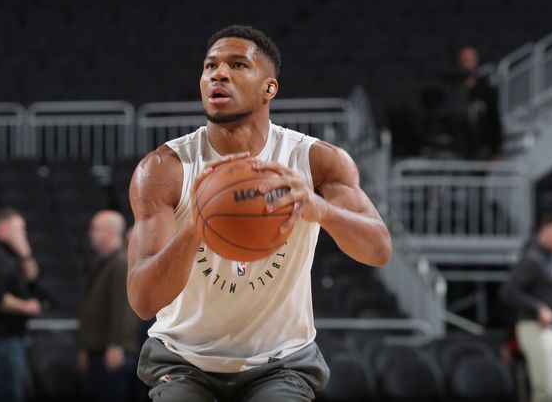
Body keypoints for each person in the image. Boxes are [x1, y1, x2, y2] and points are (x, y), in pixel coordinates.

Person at [127, 24, 392, 401]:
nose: (218, 74)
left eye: (237, 65)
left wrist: (320, 209)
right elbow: (142, 301)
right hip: (183, 361)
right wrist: (195, 229)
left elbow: (379, 250)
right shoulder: (164, 169)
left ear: (269, 88)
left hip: (280, 362)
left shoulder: (316, 161)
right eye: (210, 66)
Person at [500, 211, 552, 402]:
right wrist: (538, 308)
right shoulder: (533, 257)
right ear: (545, 230)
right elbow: (508, 291)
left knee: (549, 388)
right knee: (544, 389)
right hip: (536, 328)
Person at [0, 208, 44, 402]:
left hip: (9, 339)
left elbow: (32, 279)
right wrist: (27, 307)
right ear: (4, 228)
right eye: (20, 229)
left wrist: (26, 254)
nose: (24, 234)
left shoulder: (10, 256)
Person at [77, 210, 139, 402]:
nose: (91, 234)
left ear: (111, 232)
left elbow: (123, 308)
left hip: (111, 350)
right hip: (99, 348)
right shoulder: (105, 262)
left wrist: (117, 345)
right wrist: (87, 346)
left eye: (95, 229)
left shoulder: (120, 262)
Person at [452, 45, 503, 160]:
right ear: (459, 63)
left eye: (471, 60)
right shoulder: (453, 87)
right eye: (465, 60)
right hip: (457, 147)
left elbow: (494, 120)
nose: (468, 64)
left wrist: (496, 150)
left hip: (482, 146)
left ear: (477, 61)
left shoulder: (486, 89)